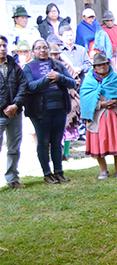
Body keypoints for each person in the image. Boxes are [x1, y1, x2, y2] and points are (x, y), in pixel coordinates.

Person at [22, 39, 77, 184]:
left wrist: (59, 77)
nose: (42, 50)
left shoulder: (57, 65)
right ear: (33, 51)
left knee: (57, 141)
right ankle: (47, 173)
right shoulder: (28, 67)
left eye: (45, 48)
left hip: (59, 108)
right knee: (43, 141)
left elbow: (72, 82)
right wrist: (46, 79)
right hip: (40, 110)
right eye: (38, 48)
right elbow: (30, 87)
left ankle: (59, 171)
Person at [80, 53, 117, 179]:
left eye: (104, 64)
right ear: (94, 68)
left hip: (115, 117)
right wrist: (101, 104)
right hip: (97, 119)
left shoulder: (116, 79)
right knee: (98, 143)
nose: (102, 67)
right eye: (99, 65)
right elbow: (85, 102)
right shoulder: (88, 82)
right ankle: (103, 170)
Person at [0, 35, 27, 189]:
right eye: (0, 46)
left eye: (4, 45)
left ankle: (12, 178)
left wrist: (15, 105)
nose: (2, 48)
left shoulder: (13, 64)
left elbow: (23, 86)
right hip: (1, 114)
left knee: (14, 147)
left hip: (15, 113)